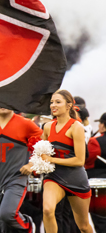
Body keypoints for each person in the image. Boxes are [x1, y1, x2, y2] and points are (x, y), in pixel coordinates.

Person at [0, 106, 42, 233]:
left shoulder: (27, 124)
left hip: (16, 178)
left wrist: (31, 164)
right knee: (4, 225)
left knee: (8, 214)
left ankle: (28, 226)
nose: (2, 104)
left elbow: (44, 147)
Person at [40, 89, 92, 233]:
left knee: (83, 226)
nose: (53, 105)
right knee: (47, 210)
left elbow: (79, 160)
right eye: (51, 102)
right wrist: (37, 161)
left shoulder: (76, 127)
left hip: (75, 178)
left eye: (57, 102)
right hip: (54, 176)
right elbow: (41, 150)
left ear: (68, 105)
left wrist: (51, 159)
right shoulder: (47, 126)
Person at [85, 111, 106, 232]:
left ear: (103, 125)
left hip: (100, 187)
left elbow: (86, 161)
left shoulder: (95, 142)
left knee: (101, 221)